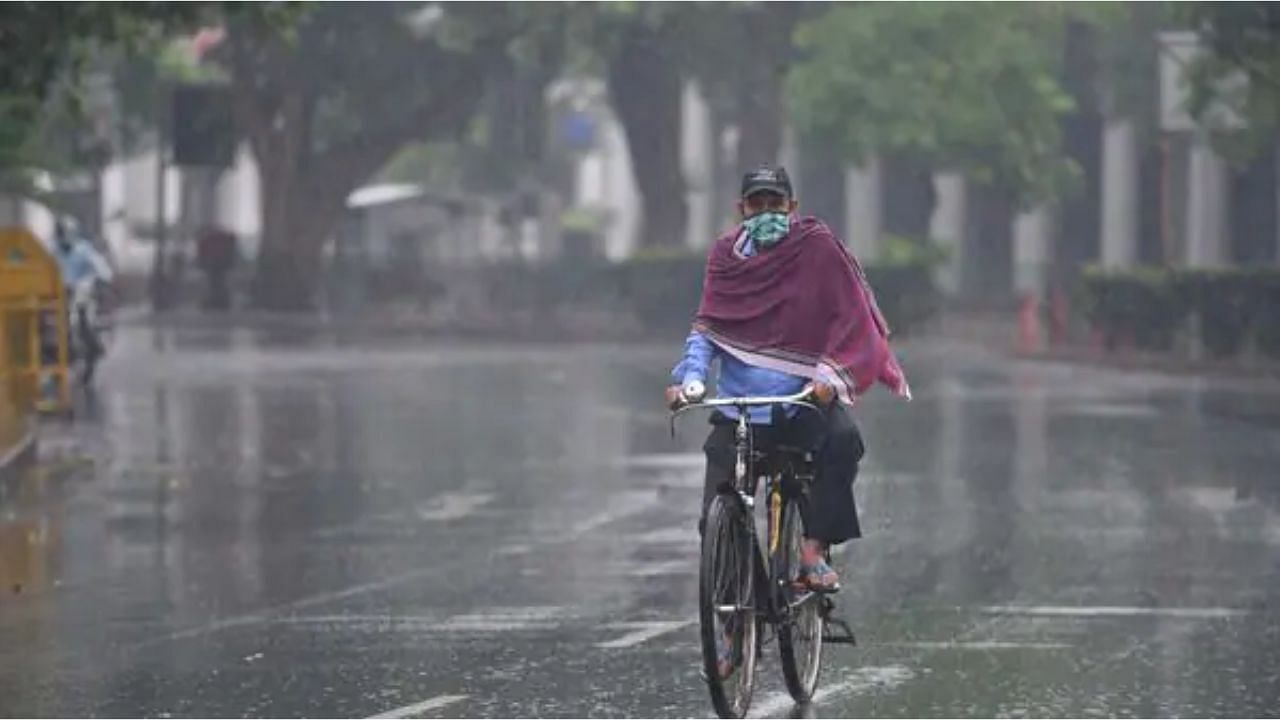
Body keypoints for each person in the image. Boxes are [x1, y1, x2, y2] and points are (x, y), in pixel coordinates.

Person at [666, 164, 911, 593]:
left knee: (843, 443)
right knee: (714, 520)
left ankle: (812, 552)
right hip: (740, 410)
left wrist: (829, 378)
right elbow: (706, 329)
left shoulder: (817, 249)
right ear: (741, 208)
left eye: (774, 203)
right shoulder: (725, 257)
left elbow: (852, 318)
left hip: (803, 398)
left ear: (792, 207)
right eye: (756, 204)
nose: (766, 212)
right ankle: (736, 611)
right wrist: (689, 379)